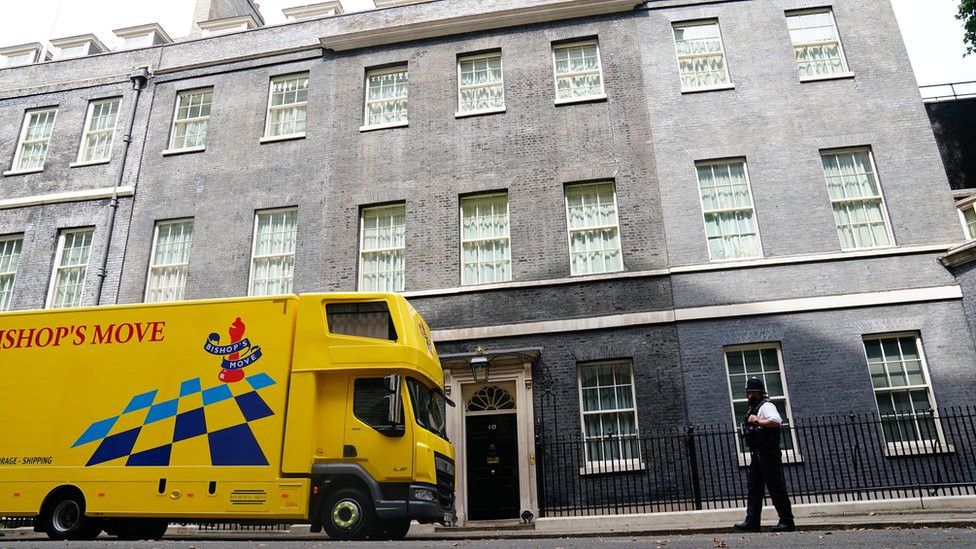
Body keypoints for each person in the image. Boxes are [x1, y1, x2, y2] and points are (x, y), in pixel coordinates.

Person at [733, 376, 795, 533]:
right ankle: (752, 522)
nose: (747, 396)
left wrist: (757, 422)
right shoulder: (755, 407)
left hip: (768, 452)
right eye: (747, 393)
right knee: (754, 488)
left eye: (750, 393)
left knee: (775, 486)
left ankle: (787, 521)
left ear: (757, 392)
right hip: (758, 453)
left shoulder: (766, 406)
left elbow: (776, 421)